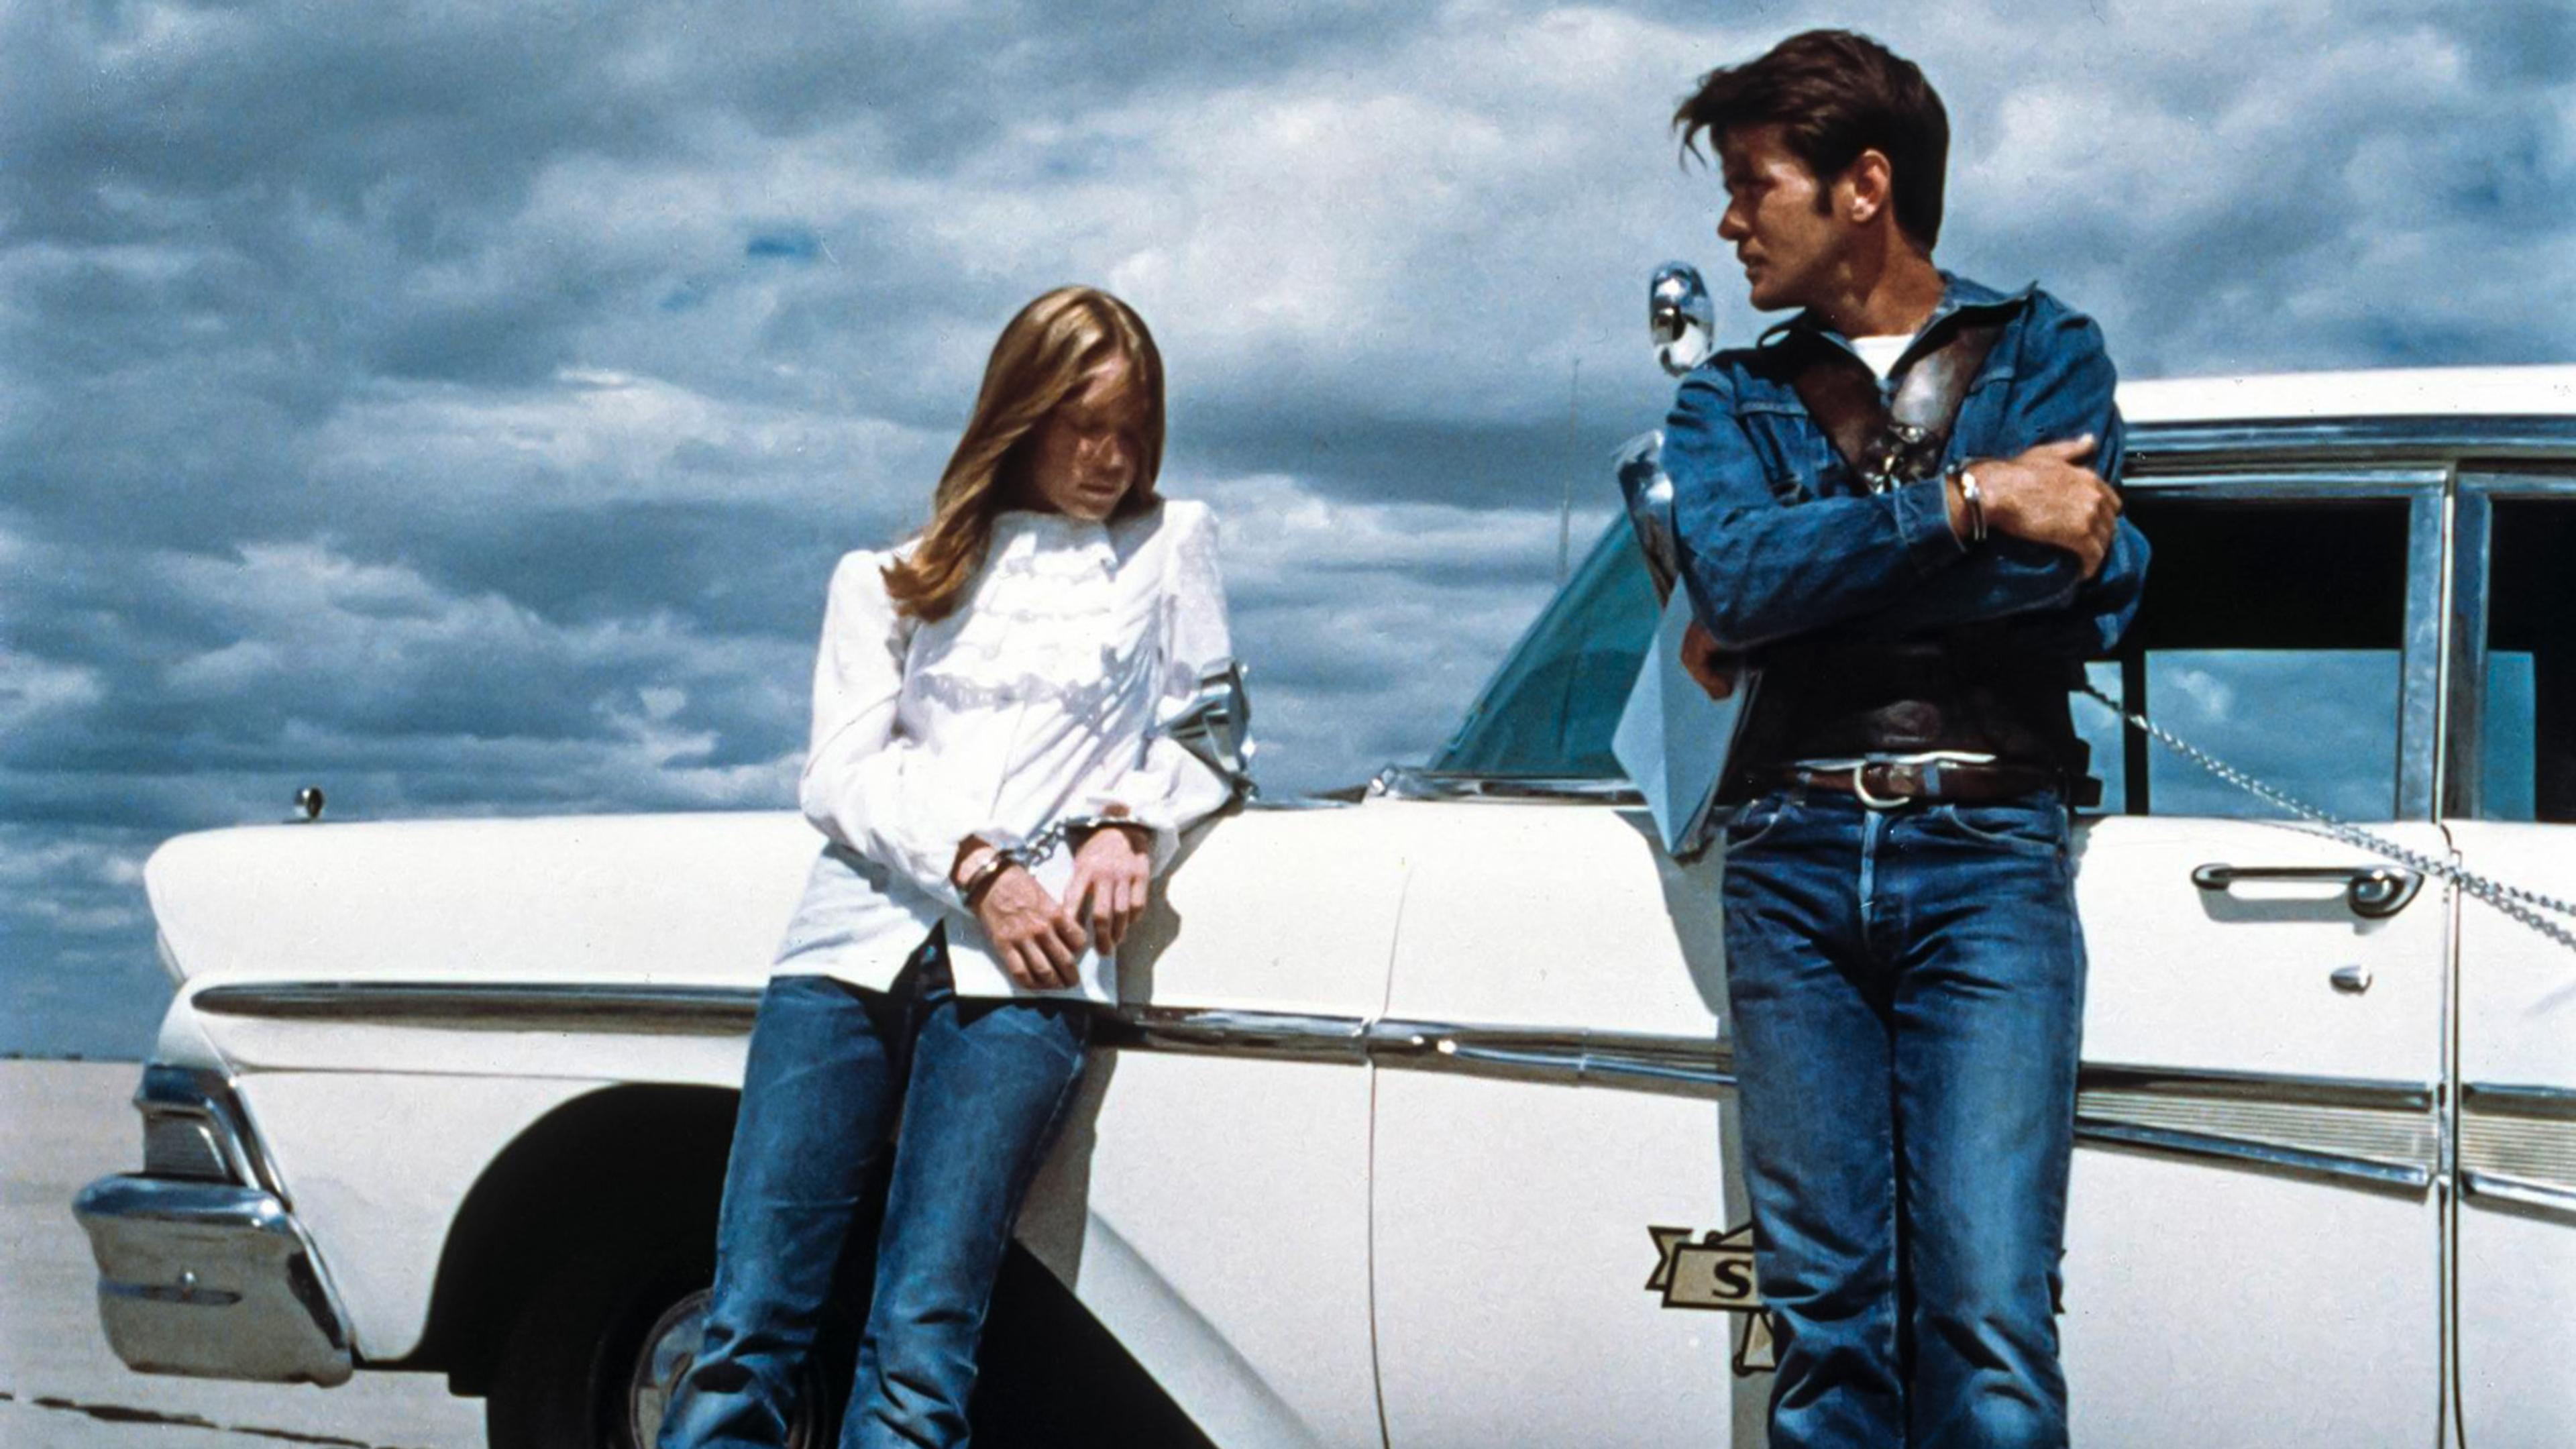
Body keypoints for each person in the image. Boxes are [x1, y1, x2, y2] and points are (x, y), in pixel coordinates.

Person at [1660, 30, 2149, 1449]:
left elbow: (2076, 581)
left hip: (1990, 846)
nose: (1729, 219)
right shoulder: (1726, 396)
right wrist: (1967, 506)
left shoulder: (2049, 350)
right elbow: (1738, 580)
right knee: (1826, 1334)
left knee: (1991, 1319)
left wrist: (1798, 580)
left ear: (1862, 187)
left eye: (1757, 184)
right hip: (1790, 852)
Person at [659, 286, 1238, 1449]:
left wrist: (1130, 822)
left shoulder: (1171, 547)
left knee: (925, 1340)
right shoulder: (886, 577)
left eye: (1133, 429)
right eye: (1085, 425)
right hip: (847, 952)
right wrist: (977, 867)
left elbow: (1210, 732)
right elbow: (841, 774)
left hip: (1028, 979)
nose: (1111, 456)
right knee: (751, 1324)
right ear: (1021, 415)